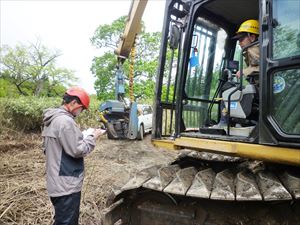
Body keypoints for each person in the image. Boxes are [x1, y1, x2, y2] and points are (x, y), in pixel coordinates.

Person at [42, 86, 106, 225]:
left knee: (61, 220)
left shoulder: (53, 119)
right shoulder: (65, 121)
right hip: (66, 185)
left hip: (57, 181)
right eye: (81, 108)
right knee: (67, 222)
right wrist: (92, 136)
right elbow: (78, 150)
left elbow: (63, 144)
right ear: (73, 103)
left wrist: (81, 136)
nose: (81, 112)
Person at [214, 19, 260, 128]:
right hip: (258, 87)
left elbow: (263, 65)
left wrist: (245, 71)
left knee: (226, 87)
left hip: (260, 88)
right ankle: (237, 121)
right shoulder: (257, 48)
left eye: (242, 39)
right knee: (234, 89)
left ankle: (225, 121)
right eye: (238, 40)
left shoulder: (253, 49)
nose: (239, 42)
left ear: (252, 37)